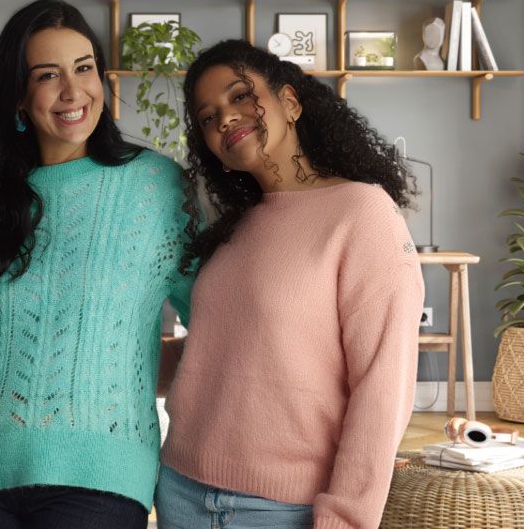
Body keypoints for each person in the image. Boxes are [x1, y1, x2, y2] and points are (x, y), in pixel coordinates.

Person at [0, 0, 194, 529]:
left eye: (84, 69)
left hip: (101, 473)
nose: (73, 92)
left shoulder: (156, 188)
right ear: (18, 100)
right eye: (48, 76)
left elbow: (222, 313)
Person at [155, 39, 423, 529]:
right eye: (208, 117)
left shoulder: (363, 213)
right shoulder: (234, 228)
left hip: (285, 508)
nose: (226, 119)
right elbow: (220, 353)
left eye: (240, 96)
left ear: (291, 102)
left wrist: (346, 518)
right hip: (180, 489)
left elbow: (383, 386)